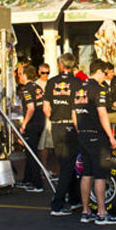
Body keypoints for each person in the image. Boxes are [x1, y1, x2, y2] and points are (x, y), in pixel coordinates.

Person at [74, 60, 116, 225]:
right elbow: (102, 114)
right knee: (100, 174)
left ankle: (85, 212)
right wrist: (111, 136)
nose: (106, 76)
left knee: (86, 173)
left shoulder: (79, 88)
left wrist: (79, 130)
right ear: (100, 72)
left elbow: (74, 114)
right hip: (97, 136)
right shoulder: (98, 89)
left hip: (83, 135)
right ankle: (101, 213)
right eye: (105, 73)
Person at [44, 53, 84, 216]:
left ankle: (74, 200)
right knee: (68, 167)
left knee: (67, 164)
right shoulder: (77, 83)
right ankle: (57, 204)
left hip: (56, 126)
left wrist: (53, 119)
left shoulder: (51, 82)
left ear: (61, 65)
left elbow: (46, 107)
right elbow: (78, 109)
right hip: (70, 126)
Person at [16, 64, 46, 193]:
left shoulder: (27, 89)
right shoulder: (37, 87)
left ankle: (37, 183)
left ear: (25, 75)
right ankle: (27, 179)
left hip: (32, 124)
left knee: (32, 153)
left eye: (21, 74)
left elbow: (31, 108)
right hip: (40, 122)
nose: (20, 76)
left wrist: (24, 124)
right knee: (29, 151)